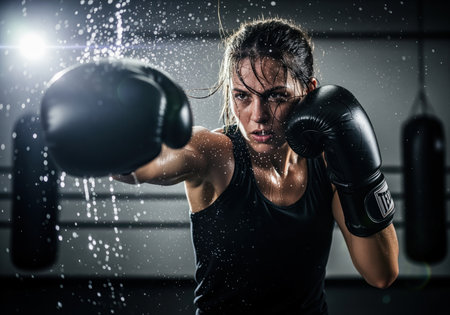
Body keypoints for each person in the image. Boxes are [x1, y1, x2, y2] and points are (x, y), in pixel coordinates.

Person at [41, 17, 399, 315]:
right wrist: (118, 144)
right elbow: (154, 163)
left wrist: (360, 170)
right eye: (242, 96)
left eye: (276, 96)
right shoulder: (214, 154)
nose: (257, 117)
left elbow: (381, 275)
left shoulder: (327, 160)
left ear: (308, 91)